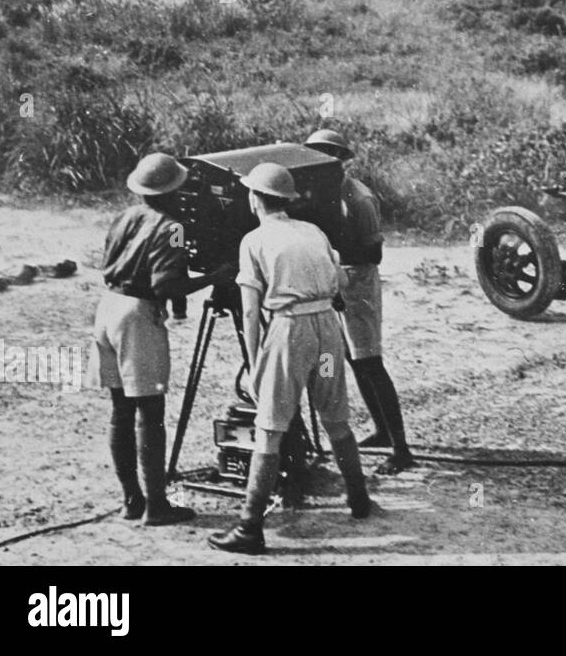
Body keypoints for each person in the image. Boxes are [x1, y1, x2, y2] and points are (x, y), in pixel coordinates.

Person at [208, 162, 371, 555]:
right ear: (287, 199)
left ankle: (249, 526)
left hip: (290, 331)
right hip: (328, 330)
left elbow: (249, 312)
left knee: (269, 426)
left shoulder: (254, 240)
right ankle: (358, 498)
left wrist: (253, 363)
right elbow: (343, 281)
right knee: (335, 416)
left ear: (254, 199)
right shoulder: (312, 231)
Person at [87, 152, 234, 525]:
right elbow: (166, 284)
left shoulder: (126, 216)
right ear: (175, 188)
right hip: (138, 314)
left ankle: (131, 500)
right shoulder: (173, 227)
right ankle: (156, 505)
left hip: (109, 307)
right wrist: (214, 277)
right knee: (150, 414)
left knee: (121, 410)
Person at [304, 129, 415, 474]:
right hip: (337, 278)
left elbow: (374, 252)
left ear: (340, 160)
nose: (322, 160)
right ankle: (382, 431)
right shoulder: (320, 193)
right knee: (353, 360)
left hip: (359, 280)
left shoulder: (357, 197)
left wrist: (331, 250)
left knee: (370, 362)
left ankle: (401, 448)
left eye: (328, 154)